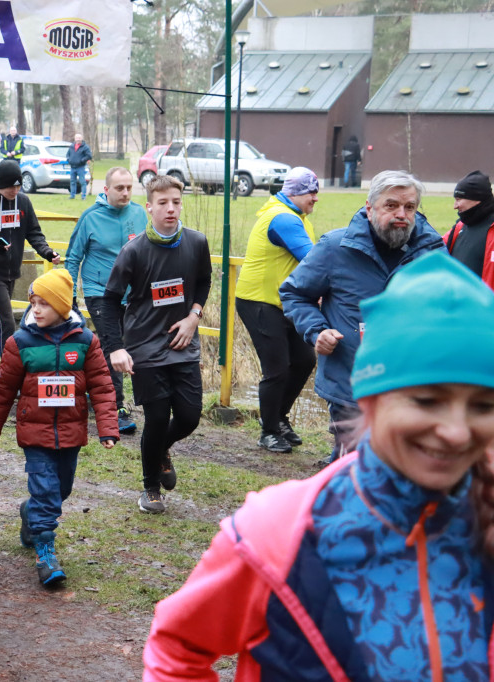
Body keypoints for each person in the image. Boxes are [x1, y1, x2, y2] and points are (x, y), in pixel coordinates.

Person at [144, 251, 494, 681]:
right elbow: (177, 648)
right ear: (369, 397)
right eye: (426, 400)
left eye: (483, 405)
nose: (457, 432)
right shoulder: (278, 532)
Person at [281, 170, 445, 462]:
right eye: (391, 205)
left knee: (401, 470)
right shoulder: (334, 248)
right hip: (350, 384)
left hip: (409, 385)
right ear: (370, 208)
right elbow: (295, 293)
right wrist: (317, 331)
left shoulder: (432, 254)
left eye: (410, 207)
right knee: (354, 467)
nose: (402, 214)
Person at [0, 269, 119, 586]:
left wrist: (108, 428)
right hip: (35, 434)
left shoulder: (87, 342)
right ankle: (46, 553)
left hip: (71, 432)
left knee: (61, 491)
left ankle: (30, 512)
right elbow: (3, 390)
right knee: (46, 492)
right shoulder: (20, 343)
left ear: (61, 306)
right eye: (33, 302)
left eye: (45, 303)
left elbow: (102, 387)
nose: (37, 309)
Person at [101, 175, 211, 514]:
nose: (171, 209)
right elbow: (109, 302)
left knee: (190, 417)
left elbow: (204, 281)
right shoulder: (133, 251)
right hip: (145, 349)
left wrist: (195, 314)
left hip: (182, 345)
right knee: (158, 417)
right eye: (163, 203)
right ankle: (150, 487)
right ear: (149, 207)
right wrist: (116, 348)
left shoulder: (196, 242)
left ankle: (161, 448)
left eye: (176, 202)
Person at [235, 167, 320, 454]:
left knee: (305, 359)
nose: (316, 198)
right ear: (295, 193)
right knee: (277, 368)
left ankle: (279, 417)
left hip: (284, 303)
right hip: (258, 301)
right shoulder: (283, 219)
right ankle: (268, 431)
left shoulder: (296, 216)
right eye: (312, 192)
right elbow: (312, 260)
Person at [65, 167, 148, 435]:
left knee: (115, 344)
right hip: (98, 290)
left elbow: (148, 252)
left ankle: (91, 390)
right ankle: (116, 408)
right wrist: (69, 296)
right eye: (119, 188)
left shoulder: (138, 213)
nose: (125, 193)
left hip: (130, 293)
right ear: (106, 190)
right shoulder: (90, 217)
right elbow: (73, 257)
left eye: (128, 187)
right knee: (115, 344)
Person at [0, 159, 60, 348]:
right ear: (0, 184)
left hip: (12, 273)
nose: (15, 191)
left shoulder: (23, 202)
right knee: (7, 322)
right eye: (10, 186)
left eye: (18, 186)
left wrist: (47, 252)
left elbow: (34, 233)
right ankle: (4, 364)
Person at [444, 169, 494, 290]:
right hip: (458, 305)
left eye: (459, 199)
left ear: (477, 199)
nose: (455, 206)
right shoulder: (459, 228)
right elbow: (432, 249)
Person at [66, 133, 93, 200]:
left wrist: (82, 161)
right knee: (72, 182)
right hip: (73, 167)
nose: (78, 139)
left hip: (80, 167)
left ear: (82, 139)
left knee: (82, 182)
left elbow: (89, 156)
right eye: (77, 138)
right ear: (75, 139)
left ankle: (83, 196)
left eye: (79, 138)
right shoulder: (72, 146)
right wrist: (69, 160)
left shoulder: (85, 147)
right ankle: (72, 195)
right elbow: (68, 154)